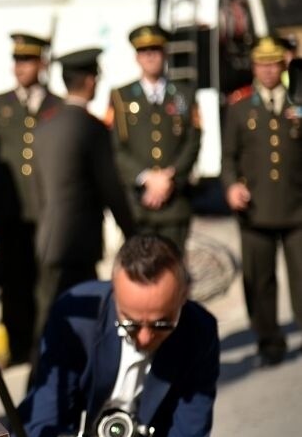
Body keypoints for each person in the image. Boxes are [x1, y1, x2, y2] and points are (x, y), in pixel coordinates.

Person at [13, 234, 219, 437]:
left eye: (162, 323)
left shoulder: (199, 331)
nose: (145, 338)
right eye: (131, 323)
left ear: (183, 295)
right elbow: (45, 424)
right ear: (114, 294)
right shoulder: (75, 314)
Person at [33, 48, 136, 368]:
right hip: (78, 241)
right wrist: (132, 232)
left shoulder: (43, 127)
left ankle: (42, 386)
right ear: (90, 81)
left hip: (48, 240)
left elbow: (39, 191)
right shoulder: (91, 128)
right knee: (80, 322)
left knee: (49, 318)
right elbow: (110, 188)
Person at [221, 36, 302, 368]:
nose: (268, 70)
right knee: (259, 280)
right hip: (254, 212)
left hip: (297, 208)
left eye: (274, 63)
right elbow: (228, 158)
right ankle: (269, 342)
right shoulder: (240, 107)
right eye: (262, 64)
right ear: (254, 67)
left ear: (283, 65)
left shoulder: (297, 102)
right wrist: (230, 188)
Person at [0, 33, 62, 364]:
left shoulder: (56, 106)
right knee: (14, 284)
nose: (20, 67)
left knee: (46, 284)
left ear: (42, 64)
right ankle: (18, 347)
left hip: (46, 211)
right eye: (17, 60)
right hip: (10, 212)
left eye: (27, 60)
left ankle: (45, 346)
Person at [108, 25, 200, 253]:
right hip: (138, 205)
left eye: (155, 49)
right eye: (144, 50)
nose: (150, 56)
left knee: (174, 271)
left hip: (175, 204)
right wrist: (147, 178)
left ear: (165, 53)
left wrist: (170, 178)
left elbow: (193, 140)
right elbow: (115, 146)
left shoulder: (185, 94)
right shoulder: (120, 97)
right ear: (136, 57)